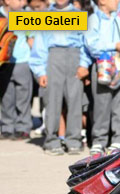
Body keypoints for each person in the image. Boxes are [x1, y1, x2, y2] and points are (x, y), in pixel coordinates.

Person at [29, 0, 85, 155]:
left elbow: (85, 43)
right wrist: (40, 71)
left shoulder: (80, 16)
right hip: (53, 57)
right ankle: (52, 140)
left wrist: (84, 64)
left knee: (75, 100)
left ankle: (73, 139)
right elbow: (39, 46)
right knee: (52, 101)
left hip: (75, 57)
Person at [80, 0, 120, 155]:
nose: (117, 2)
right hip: (103, 65)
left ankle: (119, 139)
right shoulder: (93, 19)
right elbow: (92, 44)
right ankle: (99, 140)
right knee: (102, 104)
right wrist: (115, 45)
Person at [0, 0, 32, 141]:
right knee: (6, 97)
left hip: (22, 61)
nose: (21, 2)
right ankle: (7, 128)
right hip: (4, 62)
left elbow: (31, 39)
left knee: (23, 98)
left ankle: (23, 128)